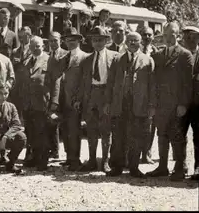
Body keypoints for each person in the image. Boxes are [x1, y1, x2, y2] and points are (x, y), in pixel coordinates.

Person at [146, 22, 193, 181]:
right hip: (161, 105)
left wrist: (183, 104)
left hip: (176, 104)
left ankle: (180, 168)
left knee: (177, 136)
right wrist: (153, 104)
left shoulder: (185, 55)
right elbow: (153, 81)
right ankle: (162, 167)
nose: (168, 38)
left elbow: (188, 83)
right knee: (162, 135)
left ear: (178, 35)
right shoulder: (158, 55)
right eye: (165, 35)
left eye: (172, 34)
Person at [105, 32, 156, 178]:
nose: (133, 43)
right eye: (130, 40)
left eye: (136, 40)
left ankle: (134, 167)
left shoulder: (148, 60)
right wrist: (108, 102)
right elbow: (110, 82)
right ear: (126, 42)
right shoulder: (117, 59)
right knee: (118, 136)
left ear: (140, 42)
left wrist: (152, 105)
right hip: (120, 104)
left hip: (139, 105)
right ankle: (117, 167)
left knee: (136, 137)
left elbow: (152, 85)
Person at [78, 27, 120, 172]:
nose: (97, 43)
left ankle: (105, 162)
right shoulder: (87, 59)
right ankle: (91, 160)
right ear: (91, 42)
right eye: (95, 40)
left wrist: (111, 100)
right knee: (91, 129)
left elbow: (116, 82)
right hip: (91, 96)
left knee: (106, 130)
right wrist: (81, 100)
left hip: (106, 95)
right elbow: (84, 82)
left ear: (106, 41)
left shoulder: (115, 57)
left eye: (100, 40)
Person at [56, 27, 89, 171]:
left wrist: (79, 98)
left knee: (75, 130)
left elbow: (84, 81)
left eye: (73, 40)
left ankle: (76, 159)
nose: (70, 43)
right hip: (64, 99)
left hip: (76, 100)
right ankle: (69, 157)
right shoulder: (63, 58)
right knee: (65, 128)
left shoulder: (85, 57)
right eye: (67, 40)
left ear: (79, 40)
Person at [21, 36, 51, 170]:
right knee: (31, 131)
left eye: (37, 46)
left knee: (42, 132)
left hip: (42, 101)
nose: (35, 48)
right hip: (28, 103)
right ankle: (32, 157)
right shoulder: (27, 61)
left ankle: (42, 160)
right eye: (32, 46)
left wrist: (53, 102)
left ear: (43, 46)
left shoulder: (49, 60)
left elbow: (55, 83)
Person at [181, 25, 199, 180]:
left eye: (193, 36)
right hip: (182, 102)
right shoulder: (180, 54)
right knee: (180, 134)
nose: (190, 40)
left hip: (198, 103)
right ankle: (181, 166)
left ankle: (198, 168)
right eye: (187, 37)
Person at [46, 31, 69, 160]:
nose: (53, 43)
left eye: (55, 40)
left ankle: (68, 155)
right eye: (51, 41)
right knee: (52, 122)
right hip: (52, 95)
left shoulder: (66, 55)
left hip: (65, 95)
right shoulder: (48, 56)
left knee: (66, 125)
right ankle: (54, 151)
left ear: (60, 41)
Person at [139, 25, 159, 164]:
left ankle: (146, 153)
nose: (147, 37)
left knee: (150, 124)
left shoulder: (157, 53)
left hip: (152, 92)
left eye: (149, 35)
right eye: (144, 35)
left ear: (153, 37)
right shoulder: (135, 50)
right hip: (137, 92)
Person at [11, 26, 32, 125]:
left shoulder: (34, 51)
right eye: (19, 37)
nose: (21, 39)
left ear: (30, 36)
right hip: (18, 87)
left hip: (29, 87)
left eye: (23, 36)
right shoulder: (15, 51)